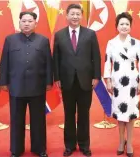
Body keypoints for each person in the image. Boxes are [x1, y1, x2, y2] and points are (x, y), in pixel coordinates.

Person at [0, 11, 52, 157]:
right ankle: (16, 150)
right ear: (19, 23)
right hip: (16, 87)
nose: (26, 23)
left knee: (38, 120)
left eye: (30, 21)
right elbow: (4, 62)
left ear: (35, 23)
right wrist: (3, 82)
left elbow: (48, 63)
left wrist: (49, 82)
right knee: (16, 120)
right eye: (23, 21)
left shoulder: (43, 40)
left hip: (37, 86)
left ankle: (39, 148)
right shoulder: (10, 40)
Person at [53, 4, 101, 157]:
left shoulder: (90, 34)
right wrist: (57, 77)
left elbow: (96, 57)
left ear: (82, 16)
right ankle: (69, 146)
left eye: (78, 14)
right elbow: (56, 59)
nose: (75, 17)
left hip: (85, 80)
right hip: (66, 81)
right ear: (66, 16)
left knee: (84, 115)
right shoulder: (59, 35)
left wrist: (96, 76)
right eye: (72, 14)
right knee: (68, 114)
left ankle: (84, 145)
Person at [104, 12, 140, 157]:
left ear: (130, 26)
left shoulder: (137, 43)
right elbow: (107, 63)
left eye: (127, 24)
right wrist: (108, 80)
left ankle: (131, 142)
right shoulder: (111, 43)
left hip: (132, 83)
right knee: (120, 112)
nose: (124, 26)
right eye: (121, 24)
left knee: (131, 113)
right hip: (117, 83)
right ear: (117, 26)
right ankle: (121, 141)